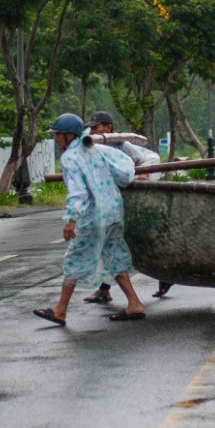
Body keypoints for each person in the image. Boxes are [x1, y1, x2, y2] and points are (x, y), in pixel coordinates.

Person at [33, 113, 145, 326]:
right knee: (113, 255)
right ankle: (134, 304)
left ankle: (60, 311)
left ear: (68, 136)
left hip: (93, 217)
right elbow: (123, 169)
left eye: (58, 135)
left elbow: (78, 192)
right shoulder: (96, 149)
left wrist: (71, 219)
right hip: (113, 211)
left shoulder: (70, 158)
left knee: (74, 258)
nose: (56, 140)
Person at [81, 110, 170, 304]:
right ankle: (104, 290)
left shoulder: (122, 145)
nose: (93, 130)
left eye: (96, 127)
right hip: (113, 203)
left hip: (131, 202)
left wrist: (141, 175)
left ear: (108, 128)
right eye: (91, 128)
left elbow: (149, 161)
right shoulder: (93, 147)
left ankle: (165, 276)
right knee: (113, 246)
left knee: (136, 243)